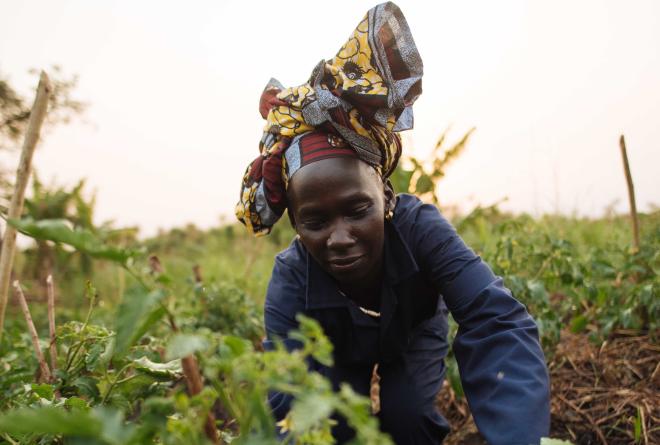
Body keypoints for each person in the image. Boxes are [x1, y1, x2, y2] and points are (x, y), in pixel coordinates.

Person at [236, 2, 550, 444]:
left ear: (385, 195)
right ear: (294, 223)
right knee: (335, 425)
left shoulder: (421, 229)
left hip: (412, 331)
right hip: (335, 346)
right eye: (315, 221)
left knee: (410, 423)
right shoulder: (292, 281)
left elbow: (495, 322)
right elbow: (288, 397)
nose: (340, 238)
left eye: (357, 210)